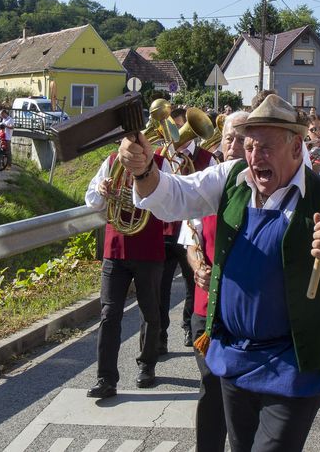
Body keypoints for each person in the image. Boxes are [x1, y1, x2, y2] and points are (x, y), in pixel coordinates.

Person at [126, 94, 320, 451]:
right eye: (250, 146)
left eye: (266, 147)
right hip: (234, 355)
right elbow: (174, 196)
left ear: (297, 147)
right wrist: (145, 170)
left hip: (295, 364)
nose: (254, 157)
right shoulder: (231, 177)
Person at [179, 111, 247, 452]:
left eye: (241, 139)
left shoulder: (265, 188)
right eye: (228, 138)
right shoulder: (204, 182)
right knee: (211, 382)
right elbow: (189, 240)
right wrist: (197, 267)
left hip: (245, 314)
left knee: (239, 393)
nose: (233, 146)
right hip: (206, 312)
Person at [83, 141, 167, 399]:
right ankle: (106, 378)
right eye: (127, 147)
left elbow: (170, 205)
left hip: (148, 250)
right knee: (109, 314)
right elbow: (91, 202)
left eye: (137, 147)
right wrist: (102, 190)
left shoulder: (162, 166)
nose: (131, 152)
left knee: (151, 313)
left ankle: (146, 365)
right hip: (115, 249)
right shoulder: (110, 162)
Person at [158, 106, 216, 351]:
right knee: (160, 288)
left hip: (193, 232)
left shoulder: (207, 158)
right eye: (172, 128)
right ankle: (159, 338)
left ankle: (188, 327)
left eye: (181, 127)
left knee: (193, 284)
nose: (177, 134)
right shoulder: (161, 157)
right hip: (165, 232)